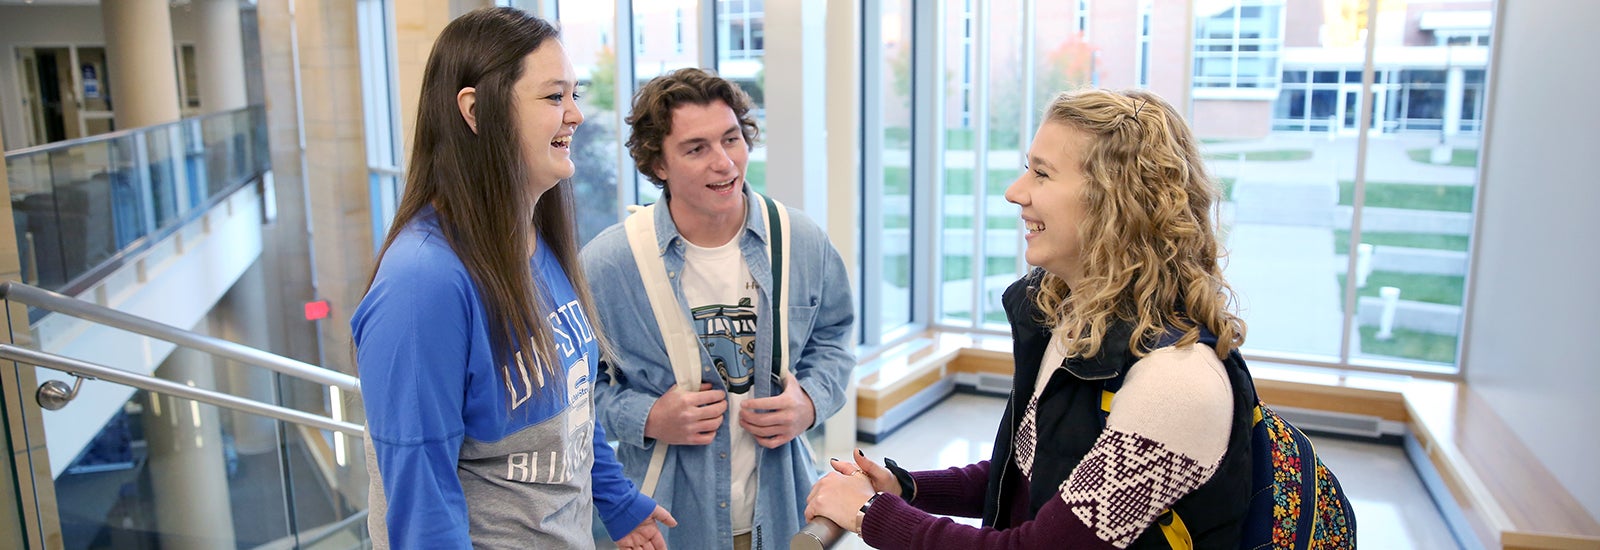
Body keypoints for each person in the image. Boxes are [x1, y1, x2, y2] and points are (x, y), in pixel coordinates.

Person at [805, 88, 1259, 549]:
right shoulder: (1077, 320)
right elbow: (1030, 474)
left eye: (1041, 173)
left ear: (1116, 202)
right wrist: (905, 487)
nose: (1015, 191)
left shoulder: (1176, 382)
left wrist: (869, 515)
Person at [352, 8, 674, 549]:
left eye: (575, 93)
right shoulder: (422, 284)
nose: (575, 114)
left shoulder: (536, 243)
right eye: (553, 97)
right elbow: (420, 504)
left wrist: (615, 501)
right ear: (476, 111)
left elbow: (573, 403)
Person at [581, 68, 855, 549]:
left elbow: (833, 339)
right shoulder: (609, 264)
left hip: (781, 511)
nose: (724, 163)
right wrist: (645, 417)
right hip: (663, 522)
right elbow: (577, 392)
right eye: (696, 148)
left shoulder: (801, 241)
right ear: (658, 164)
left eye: (732, 139)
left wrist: (810, 402)